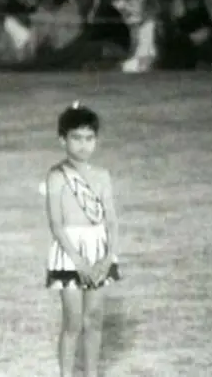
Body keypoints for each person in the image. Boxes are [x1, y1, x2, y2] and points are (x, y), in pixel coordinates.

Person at [45, 103, 120, 377]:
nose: (83, 145)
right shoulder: (56, 176)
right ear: (62, 140)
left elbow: (111, 219)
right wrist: (77, 261)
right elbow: (55, 223)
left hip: (98, 248)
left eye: (89, 138)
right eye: (76, 138)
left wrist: (108, 256)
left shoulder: (102, 176)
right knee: (73, 321)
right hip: (69, 252)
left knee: (94, 319)